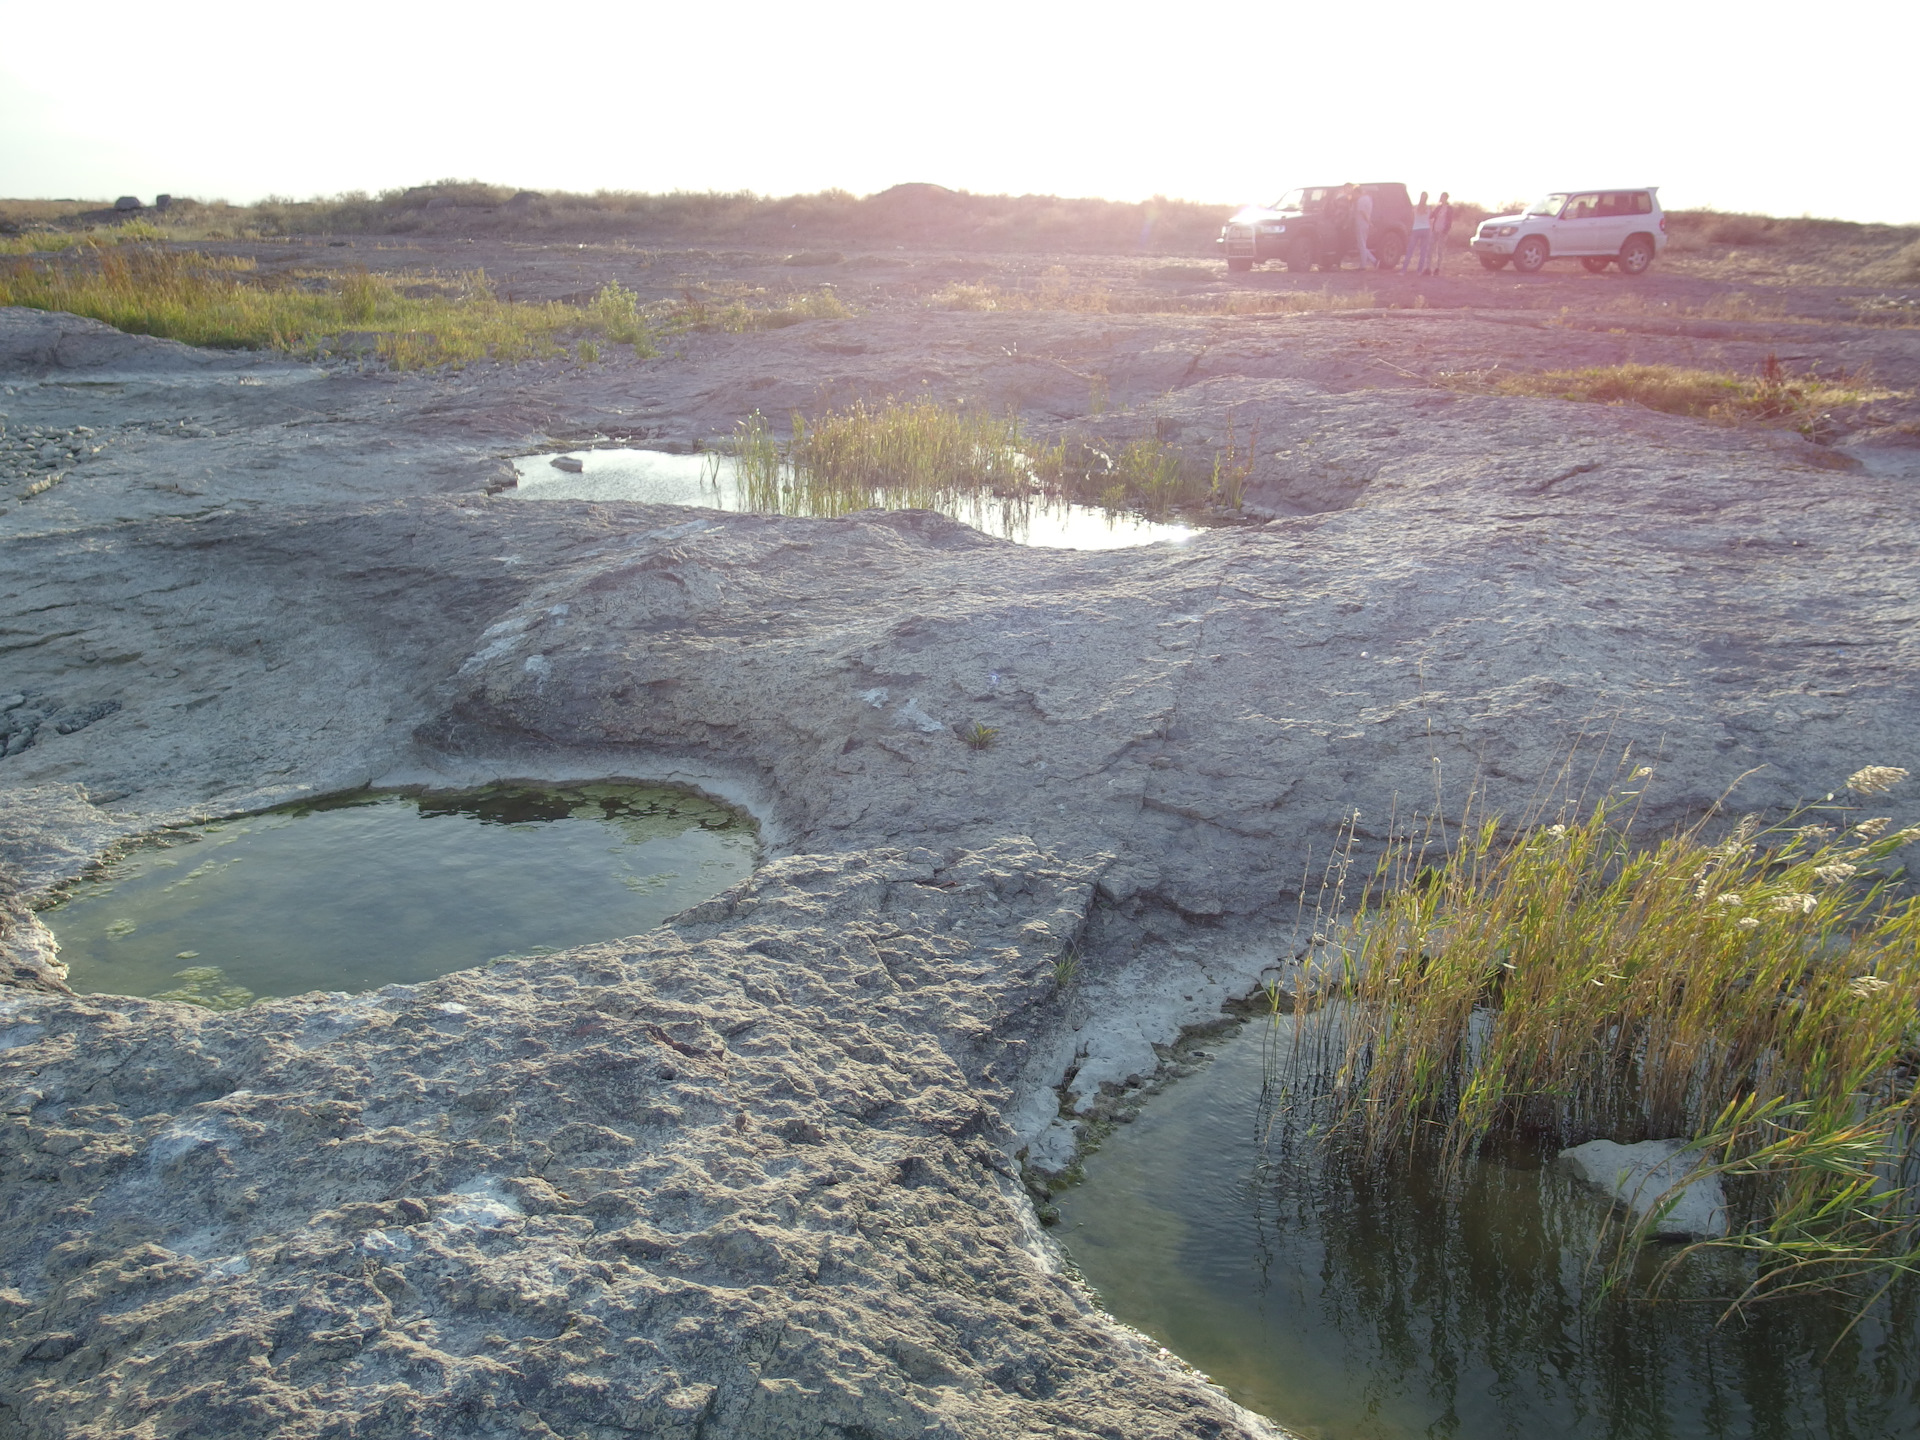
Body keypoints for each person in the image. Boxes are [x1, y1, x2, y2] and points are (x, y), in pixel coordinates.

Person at [1401, 191, 1431, 275]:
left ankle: (1404, 270)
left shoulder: (1415, 207)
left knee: (1410, 250)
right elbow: (1430, 218)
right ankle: (1419, 271)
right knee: (1423, 252)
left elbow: (1411, 217)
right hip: (1426, 229)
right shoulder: (1428, 208)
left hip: (1416, 229)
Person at [1425, 192, 1454, 275]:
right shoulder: (1438, 208)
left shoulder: (1449, 209)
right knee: (1430, 248)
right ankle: (1428, 267)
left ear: (1446, 198)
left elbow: (1449, 221)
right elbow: (1431, 216)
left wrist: (1446, 230)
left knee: (1440, 250)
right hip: (1435, 230)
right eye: (1441, 197)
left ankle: (1437, 268)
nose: (1442, 198)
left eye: (1443, 197)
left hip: (1443, 231)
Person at [1353, 184, 1376, 270]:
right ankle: (1370, 261)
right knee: (1363, 244)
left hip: (1361, 223)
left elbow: (1363, 212)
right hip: (1365, 224)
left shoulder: (1361, 200)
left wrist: (1369, 222)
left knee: (1361, 245)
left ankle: (1366, 264)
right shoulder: (1368, 199)